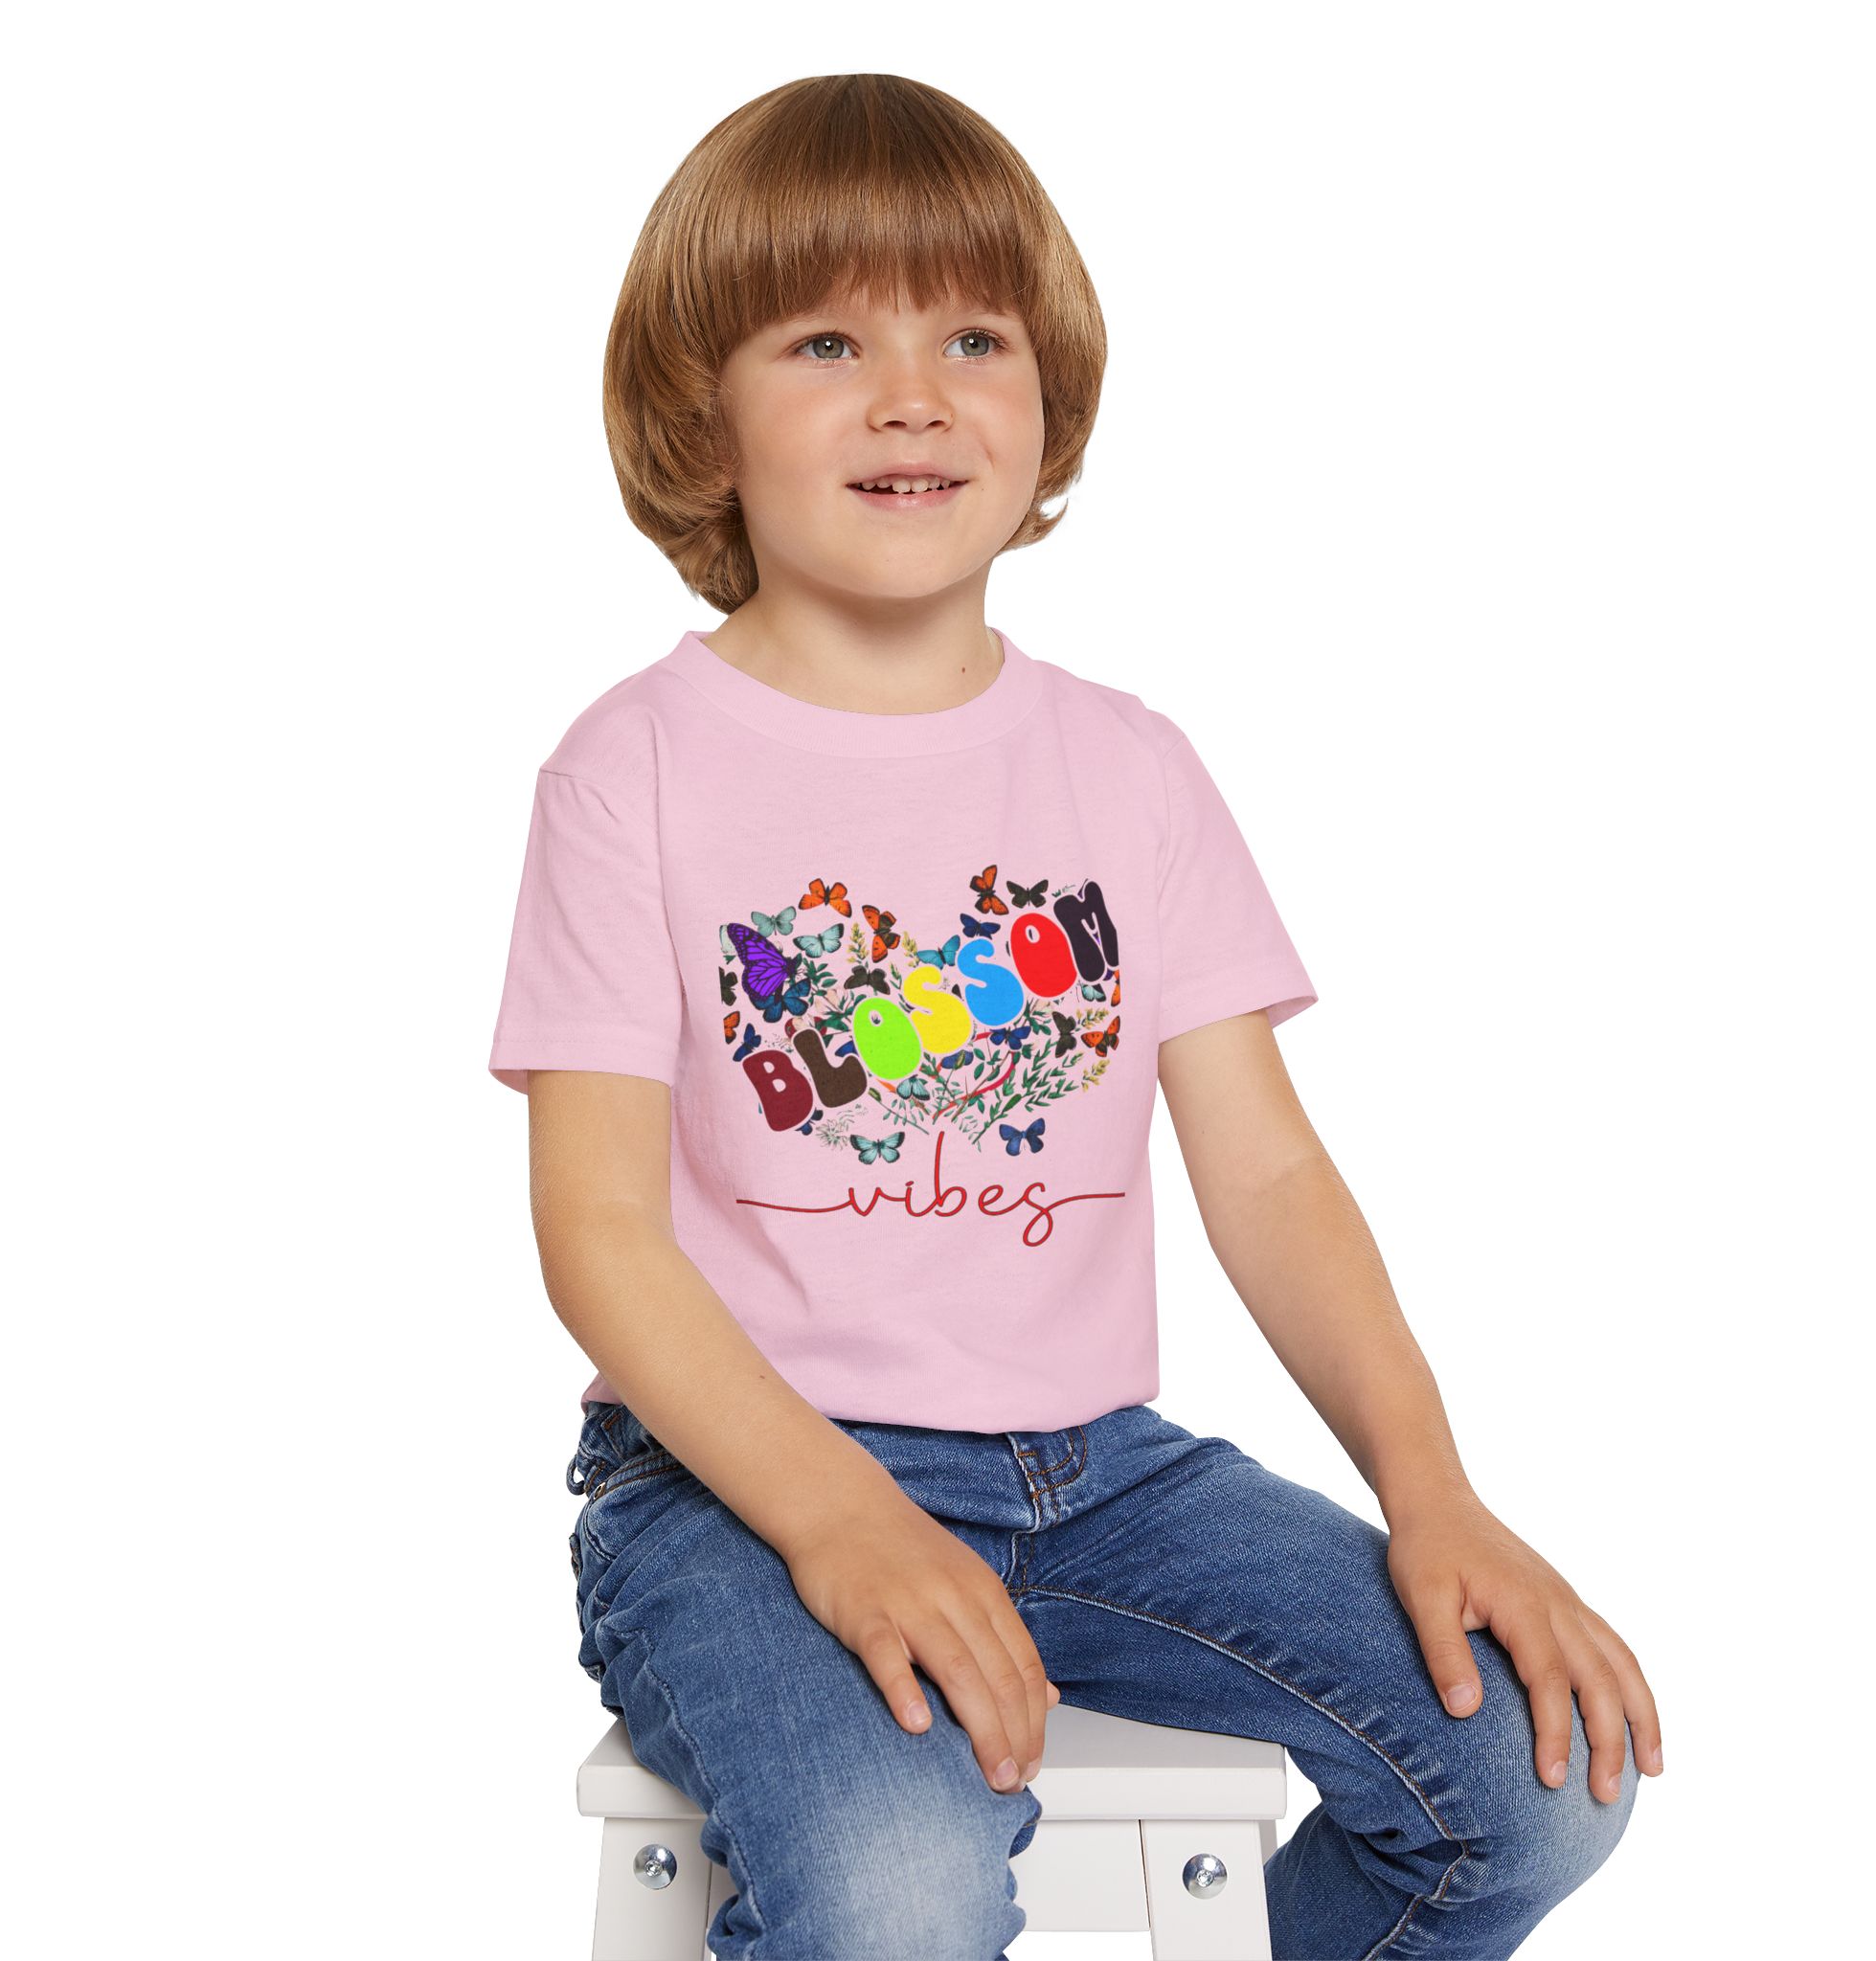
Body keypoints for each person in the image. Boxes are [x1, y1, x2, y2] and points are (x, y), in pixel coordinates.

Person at [487, 72, 1657, 1961]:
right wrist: (838, 1517)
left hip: (1099, 1474)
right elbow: (598, 1234)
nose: (912, 393)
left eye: (972, 336)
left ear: (1049, 405)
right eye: (826, 341)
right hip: (731, 1485)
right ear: (700, 415)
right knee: (898, 1891)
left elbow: (1269, 1177)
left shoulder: (1127, 768)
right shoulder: (632, 771)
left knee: (1536, 1779)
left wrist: (1431, 1489)